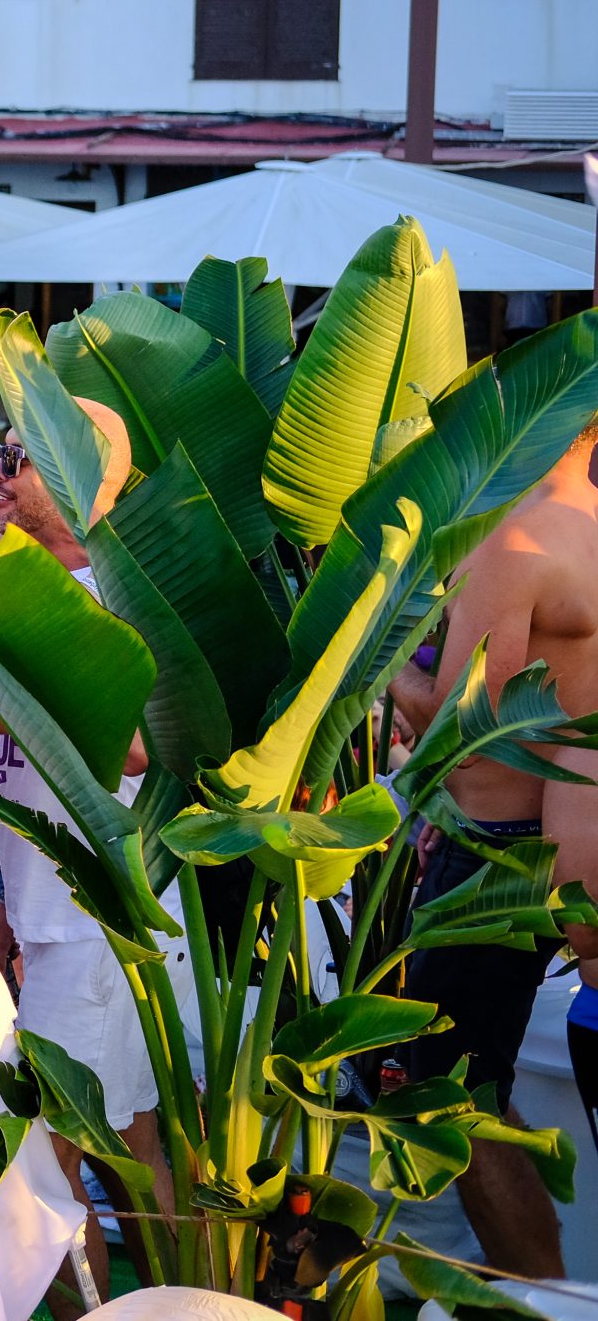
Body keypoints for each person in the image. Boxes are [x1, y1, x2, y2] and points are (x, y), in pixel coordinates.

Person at [387, 410, 598, 1282]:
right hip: (556, 830)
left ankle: (537, 1289)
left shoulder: (513, 540)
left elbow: (459, 724)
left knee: (450, 1097)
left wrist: (368, 662)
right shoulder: (583, 524)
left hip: (500, 850)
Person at [0, 410, 174, 1317]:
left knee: (42, 1171)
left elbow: (136, 750)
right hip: (49, 914)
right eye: (1, 448)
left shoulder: (109, 595)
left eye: (20, 454)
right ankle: (185, 1303)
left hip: (95, 925)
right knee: (128, 1146)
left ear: (71, 474)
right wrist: (0, 892)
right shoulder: (32, 581)